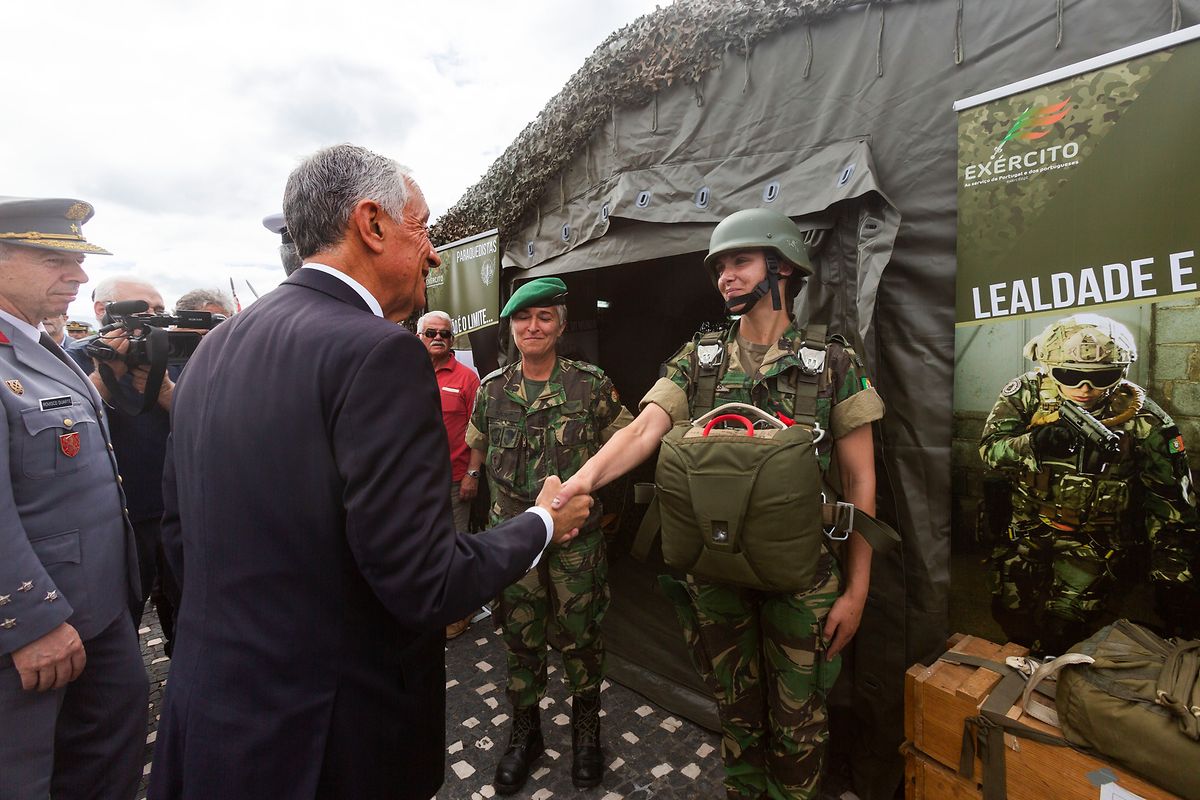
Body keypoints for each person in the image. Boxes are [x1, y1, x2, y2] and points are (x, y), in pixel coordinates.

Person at [149, 144, 592, 800]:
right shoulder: (378, 354)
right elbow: (427, 583)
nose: (435, 253)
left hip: (212, 725)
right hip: (329, 745)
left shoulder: (216, 348)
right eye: (424, 228)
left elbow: (179, 538)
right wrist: (541, 524)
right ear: (372, 224)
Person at [554, 208, 886, 800]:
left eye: (741, 262)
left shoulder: (831, 362)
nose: (726, 277)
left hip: (801, 582)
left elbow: (862, 483)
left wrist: (857, 591)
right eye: (720, 268)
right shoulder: (700, 359)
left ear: (781, 267)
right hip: (716, 575)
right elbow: (639, 433)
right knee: (737, 720)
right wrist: (575, 485)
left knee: (799, 728)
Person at [0, 196, 147, 799]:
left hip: (91, 611)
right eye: (52, 258)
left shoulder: (41, 347)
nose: (80, 276)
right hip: (36, 630)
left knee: (103, 756)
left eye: (79, 258)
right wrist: (28, 622)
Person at [466, 277, 633, 794]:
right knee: (520, 640)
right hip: (515, 543)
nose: (532, 326)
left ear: (560, 326)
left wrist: (605, 514)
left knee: (582, 638)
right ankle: (526, 732)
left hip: (576, 546)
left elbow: (625, 444)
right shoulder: (491, 389)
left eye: (543, 317)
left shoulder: (590, 383)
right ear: (511, 327)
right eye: (522, 318)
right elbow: (477, 448)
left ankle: (587, 731)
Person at [979, 313, 1198, 653]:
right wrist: (1031, 444)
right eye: (1072, 376)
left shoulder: (1146, 420)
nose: (1085, 389)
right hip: (1027, 531)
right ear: (1050, 369)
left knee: (1064, 632)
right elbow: (990, 450)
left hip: (1092, 543)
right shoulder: (1025, 394)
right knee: (1012, 616)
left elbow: (1171, 501)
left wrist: (1172, 575)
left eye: (1101, 378)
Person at [65, 277, 182, 651]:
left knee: (186, 608)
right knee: (120, 622)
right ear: (103, 310)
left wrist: (164, 390)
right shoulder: (74, 360)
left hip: (174, 509)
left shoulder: (172, 354)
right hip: (116, 520)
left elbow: (205, 420)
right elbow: (61, 427)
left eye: (159, 310)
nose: (152, 317)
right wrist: (103, 378)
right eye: (141, 308)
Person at [418, 309, 482, 639]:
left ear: (452, 339)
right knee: (428, 544)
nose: (438, 338)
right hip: (418, 482)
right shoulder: (408, 374)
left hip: (457, 478)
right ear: (420, 337)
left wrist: (473, 473)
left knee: (457, 545)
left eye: (444, 333)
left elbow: (480, 431)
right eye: (432, 333)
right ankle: (438, 601)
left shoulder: (467, 379)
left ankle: (462, 609)